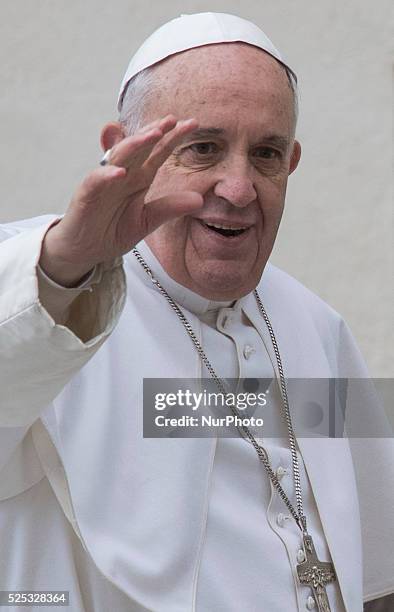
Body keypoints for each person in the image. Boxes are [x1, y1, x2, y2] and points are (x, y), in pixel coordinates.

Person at [0, 12, 392, 612]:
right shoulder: (44, 286)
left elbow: (373, 571)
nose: (237, 188)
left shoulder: (316, 327)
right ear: (119, 153)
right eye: (203, 148)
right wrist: (64, 264)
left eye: (266, 153)